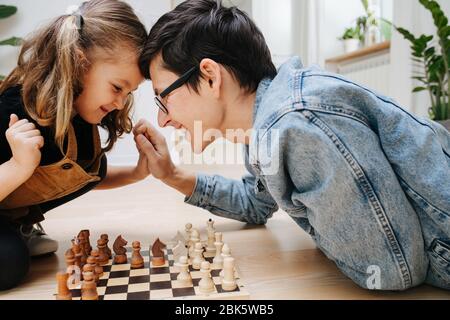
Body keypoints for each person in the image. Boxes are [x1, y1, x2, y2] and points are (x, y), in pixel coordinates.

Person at [134, 0, 450, 291]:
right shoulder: (266, 122)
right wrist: (171, 174)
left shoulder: (293, 125)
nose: (163, 121)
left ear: (210, 76)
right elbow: (255, 203)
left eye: (164, 99)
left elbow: (390, 270)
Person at [0, 0, 150, 290]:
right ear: (80, 63)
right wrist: (17, 167)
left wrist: (138, 173)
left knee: (89, 164)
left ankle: (15, 227)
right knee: (9, 263)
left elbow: (92, 178)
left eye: (129, 92)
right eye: (117, 87)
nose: (121, 102)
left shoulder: (79, 120)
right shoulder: (13, 109)